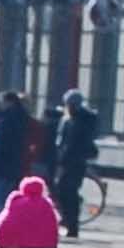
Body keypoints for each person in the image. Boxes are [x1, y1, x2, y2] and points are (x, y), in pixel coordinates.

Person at [47, 87, 100, 232]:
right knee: (64, 191)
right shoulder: (76, 119)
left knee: (68, 191)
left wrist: (61, 160)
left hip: (73, 162)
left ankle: (72, 224)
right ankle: (69, 220)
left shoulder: (78, 121)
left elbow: (70, 143)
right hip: (73, 161)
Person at [0, 89, 36, 225]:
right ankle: (5, 225)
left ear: (8, 102)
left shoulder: (5, 119)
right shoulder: (23, 118)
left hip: (1, 164)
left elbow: (0, 144)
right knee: (7, 198)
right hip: (15, 164)